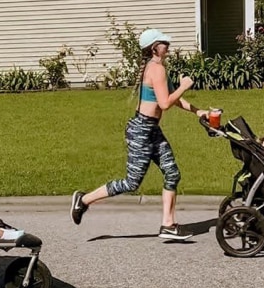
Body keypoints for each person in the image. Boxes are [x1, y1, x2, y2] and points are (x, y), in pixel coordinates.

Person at [70, 29, 209, 240]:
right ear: (155, 48)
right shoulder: (156, 69)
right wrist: (184, 86)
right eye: (164, 43)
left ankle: (168, 225)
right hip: (141, 131)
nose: (168, 46)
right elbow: (165, 103)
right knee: (132, 183)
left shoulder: (159, 67)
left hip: (152, 129)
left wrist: (198, 111)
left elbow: (171, 98)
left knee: (172, 173)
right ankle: (84, 199)